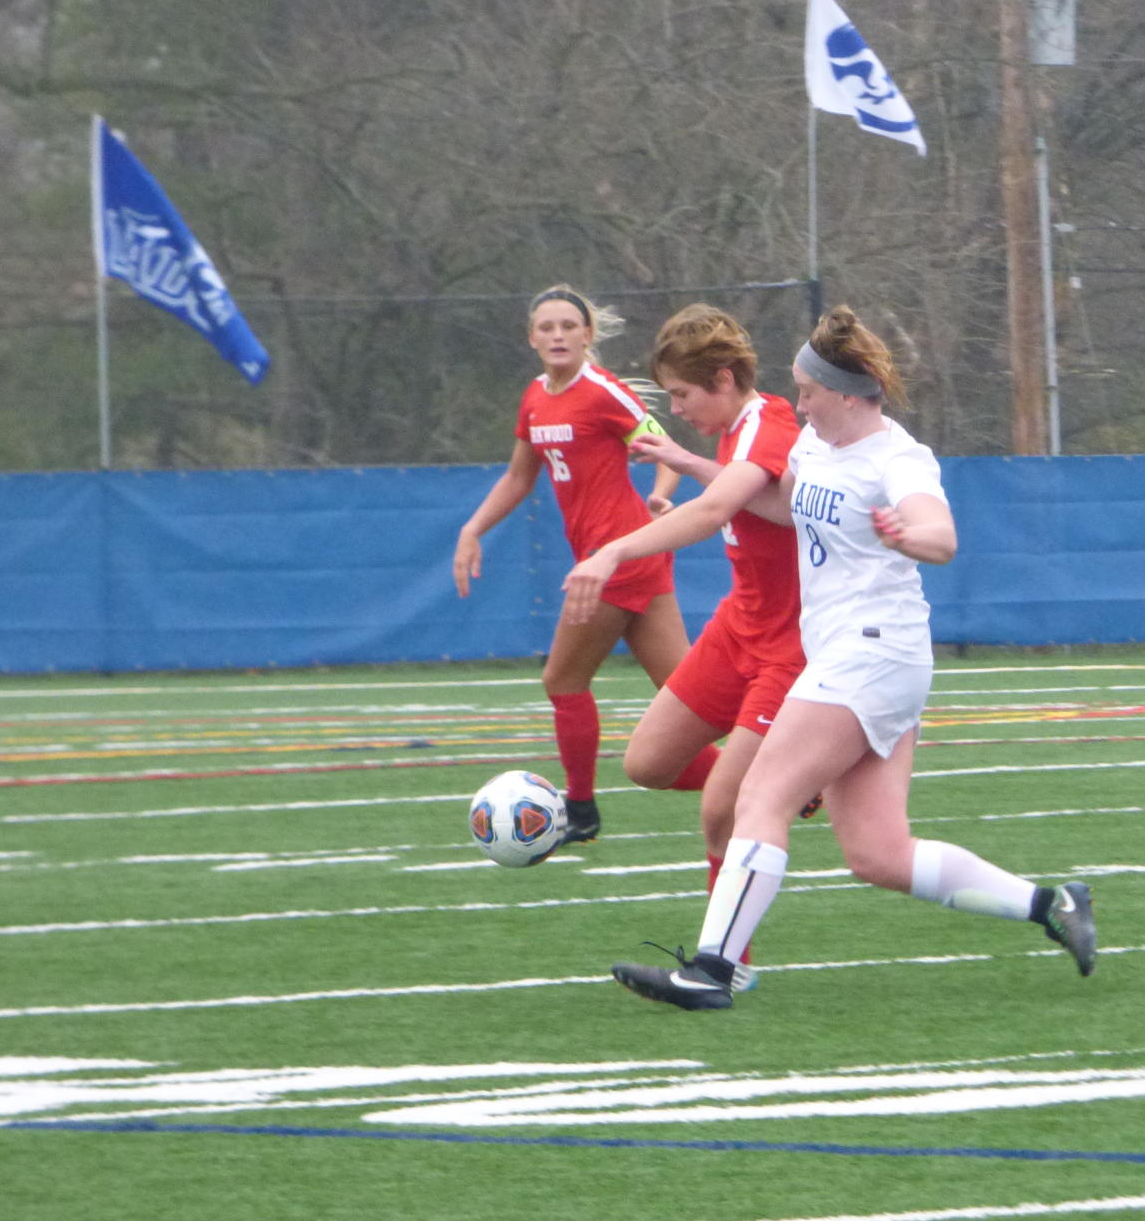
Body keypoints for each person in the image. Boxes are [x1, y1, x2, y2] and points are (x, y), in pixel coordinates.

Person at [610, 305, 1098, 1009]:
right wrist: (690, 463)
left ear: (844, 394)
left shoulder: (896, 457)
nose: (796, 403)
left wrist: (910, 535)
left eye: (806, 391)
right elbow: (785, 507)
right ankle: (1052, 904)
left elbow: (941, 533)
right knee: (877, 854)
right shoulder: (814, 445)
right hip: (856, 658)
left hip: (872, 653)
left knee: (759, 795)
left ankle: (714, 970)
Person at [561, 304, 810, 986]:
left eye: (681, 395)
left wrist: (608, 554)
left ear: (724, 379)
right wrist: (685, 460)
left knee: (719, 812)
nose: (675, 409)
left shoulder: (770, 424)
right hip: (739, 627)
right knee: (646, 762)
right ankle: (785, 777)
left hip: (789, 645)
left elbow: (713, 512)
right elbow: (741, 493)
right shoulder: (735, 431)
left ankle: (725, 970)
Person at [452, 285, 717, 846]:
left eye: (568, 326)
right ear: (531, 338)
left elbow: (660, 444)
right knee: (689, 692)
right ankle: (774, 776)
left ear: (587, 334)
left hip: (616, 558)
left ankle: (580, 810)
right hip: (630, 556)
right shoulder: (534, 398)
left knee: (563, 679)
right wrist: (473, 529)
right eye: (546, 328)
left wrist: (663, 493)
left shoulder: (602, 391)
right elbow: (520, 476)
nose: (557, 336)